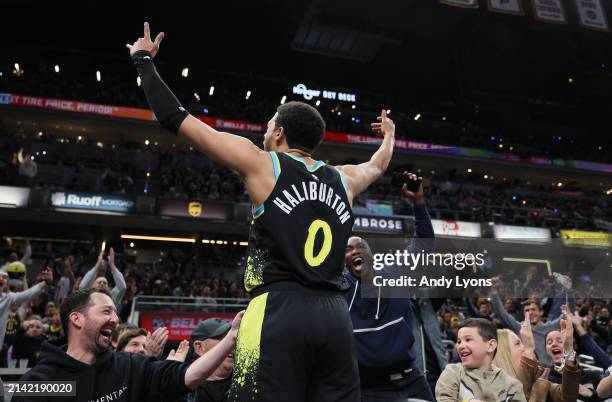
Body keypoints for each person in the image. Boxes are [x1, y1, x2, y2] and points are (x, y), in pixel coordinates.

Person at [127, 22, 395, 402]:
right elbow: (379, 165)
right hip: (336, 315)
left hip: (276, 308)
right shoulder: (344, 179)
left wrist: (143, 62)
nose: (264, 132)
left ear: (281, 133)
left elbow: (177, 118)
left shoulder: (263, 164)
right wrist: (389, 136)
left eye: (269, 126)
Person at [14, 288, 244, 402]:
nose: (115, 319)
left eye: (115, 312)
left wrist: (229, 340)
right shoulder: (39, 382)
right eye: (106, 311)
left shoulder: (131, 367)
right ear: (77, 319)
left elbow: (188, 377)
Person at [344, 173, 436, 401]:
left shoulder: (396, 273)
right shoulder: (339, 289)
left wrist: (418, 203)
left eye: (360, 247)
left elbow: (424, 245)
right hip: (368, 388)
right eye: (348, 249)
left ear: (371, 256)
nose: (356, 251)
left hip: (411, 380)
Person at [492, 311, 579, 402]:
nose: (524, 347)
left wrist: (568, 353)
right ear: (504, 353)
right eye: (518, 343)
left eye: (522, 342)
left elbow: (568, 398)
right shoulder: (495, 390)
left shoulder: (538, 376)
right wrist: (529, 351)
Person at [435, 318, 526, 402]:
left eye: (468, 339)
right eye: (459, 341)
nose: (461, 346)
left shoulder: (512, 386)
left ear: (491, 346)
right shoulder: (452, 373)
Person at [490, 279, 562, 366]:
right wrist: (494, 291)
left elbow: (568, 314)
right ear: (524, 314)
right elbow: (502, 313)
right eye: (527, 310)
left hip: (551, 372)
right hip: (529, 372)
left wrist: (569, 292)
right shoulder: (520, 327)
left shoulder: (552, 326)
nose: (530, 312)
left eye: (533, 309)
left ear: (541, 312)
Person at [0, 268, 52, 367]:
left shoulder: (8, 298)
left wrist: (46, 282)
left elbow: (29, 294)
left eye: (5, 277)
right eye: (0, 276)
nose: (2, 279)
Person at [185, 318, 235, 402]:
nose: (232, 345)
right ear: (199, 347)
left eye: (233, 339)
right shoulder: (180, 389)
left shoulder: (248, 383)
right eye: (223, 340)